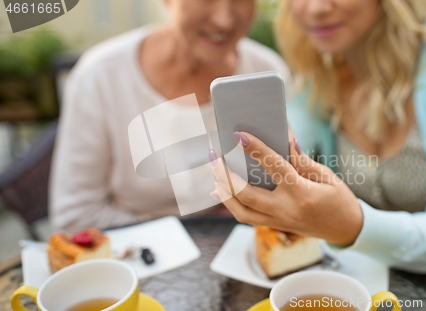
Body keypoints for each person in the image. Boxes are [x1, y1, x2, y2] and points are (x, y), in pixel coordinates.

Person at [212, 0, 426, 297]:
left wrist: (352, 225)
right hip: (360, 284)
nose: (316, 9)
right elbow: (289, 171)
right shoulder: (318, 68)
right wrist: (259, 180)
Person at [50, 0, 290, 233]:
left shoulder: (265, 74)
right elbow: (75, 216)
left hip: (233, 246)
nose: (224, 20)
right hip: (133, 254)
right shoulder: (99, 78)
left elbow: (274, 189)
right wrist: (182, 242)